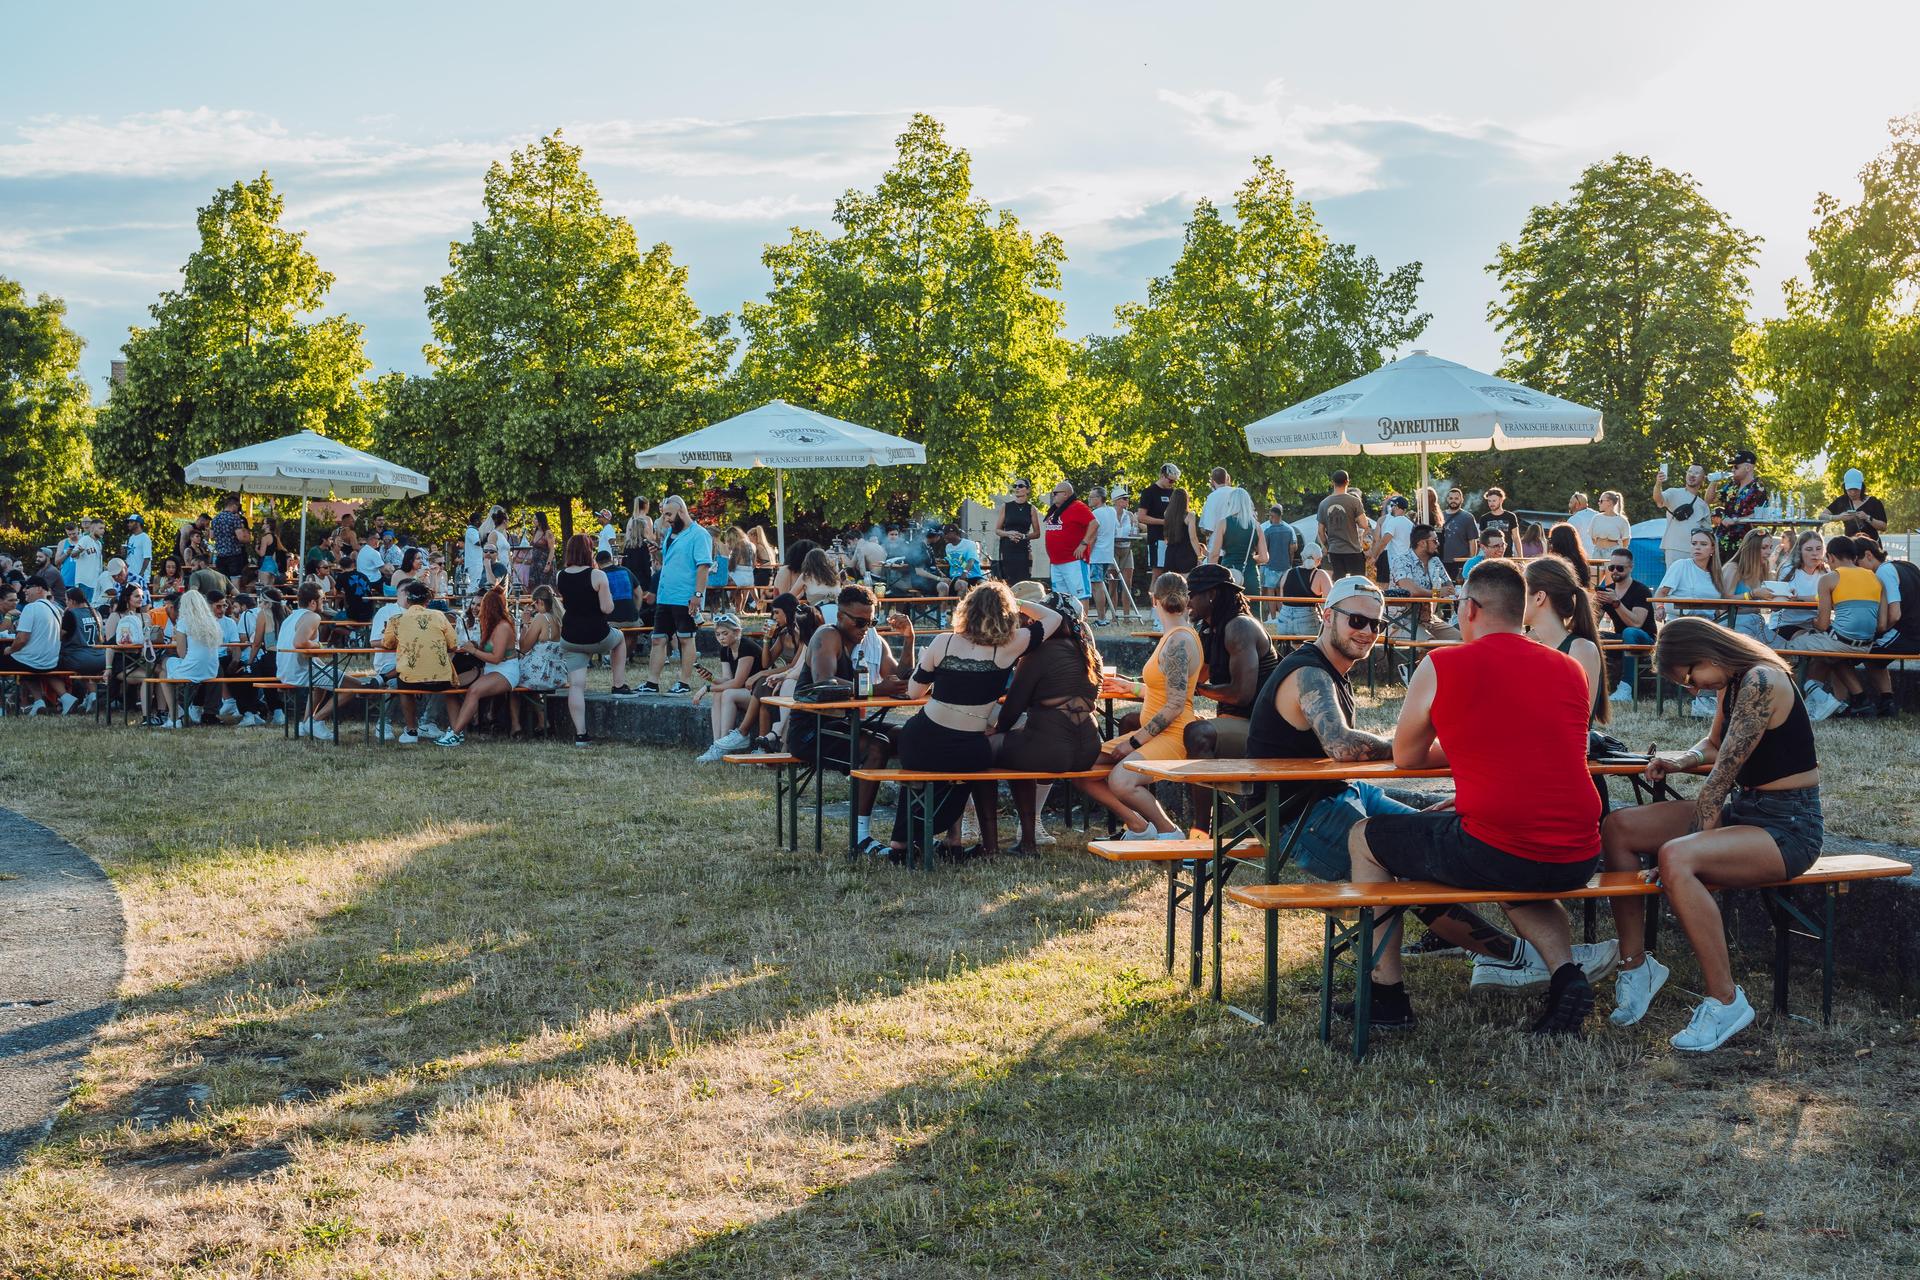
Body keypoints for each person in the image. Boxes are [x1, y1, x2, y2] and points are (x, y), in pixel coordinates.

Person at [1242, 576, 1550, 987]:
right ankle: (1518, 958)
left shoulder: (1330, 671)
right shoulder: (1308, 673)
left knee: (1442, 840)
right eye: (1357, 620)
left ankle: (1489, 949)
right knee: (1407, 867)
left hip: (1342, 794)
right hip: (1297, 817)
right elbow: (1341, 745)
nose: (1367, 632)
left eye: (1377, 625)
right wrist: (1407, 746)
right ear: (1327, 615)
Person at [1347, 559, 1606, 1034]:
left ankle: (1385, 995)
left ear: (1468, 608)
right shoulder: (1569, 666)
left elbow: (1406, 756)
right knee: (1520, 874)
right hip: (1580, 849)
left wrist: (1462, 748)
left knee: (1364, 836)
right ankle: (1567, 978)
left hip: (1500, 846)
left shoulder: (1443, 663)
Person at [1600, 619, 1821, 1051]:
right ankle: (1636, 966)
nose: (1691, 688)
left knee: (1677, 857)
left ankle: (1725, 1001)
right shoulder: (1733, 682)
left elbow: (1721, 777)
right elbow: (1716, 746)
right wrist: (1682, 759)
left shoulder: (1760, 679)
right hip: (1749, 811)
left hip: (1788, 828)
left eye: (1688, 676)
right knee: (1619, 827)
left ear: (1708, 654)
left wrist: (1693, 839)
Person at [877, 583, 1062, 862]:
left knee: (916, 777)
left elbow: (915, 692)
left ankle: (902, 843)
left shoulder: (944, 641)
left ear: (967, 610)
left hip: (922, 739)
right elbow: (1054, 619)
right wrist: (1016, 600)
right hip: (968, 747)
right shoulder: (1011, 644)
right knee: (967, 769)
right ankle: (952, 840)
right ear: (1007, 613)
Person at [1077, 573, 1199, 838]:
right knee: (1078, 766)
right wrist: (1129, 687)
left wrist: (1133, 742)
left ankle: (1170, 833)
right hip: (1156, 732)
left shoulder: (1179, 640)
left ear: (1153, 599)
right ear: (1187, 599)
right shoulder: (1173, 636)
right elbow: (1164, 691)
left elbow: (1176, 704)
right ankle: (1139, 827)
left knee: (1121, 780)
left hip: (1174, 734)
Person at [797, 585, 912, 858]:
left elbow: (901, 678)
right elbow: (824, 683)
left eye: (871, 621)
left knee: (908, 736)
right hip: (810, 730)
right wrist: (874, 689)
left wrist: (909, 638)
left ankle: (910, 833)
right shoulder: (827, 636)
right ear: (840, 615)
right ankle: (859, 837)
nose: (866, 627)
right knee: (875, 748)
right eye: (860, 622)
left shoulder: (872, 641)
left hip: (844, 725)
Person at [995, 587, 1103, 854]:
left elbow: (1012, 709)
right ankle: (1030, 831)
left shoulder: (1038, 654)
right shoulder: (1089, 653)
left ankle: (1026, 839)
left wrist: (995, 732)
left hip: (1052, 748)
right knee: (1021, 746)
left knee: (1002, 751)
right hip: (1089, 747)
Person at [1181, 564, 1279, 806]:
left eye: (1191, 594)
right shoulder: (1209, 628)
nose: (1186, 601)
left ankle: (1201, 832)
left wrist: (1198, 690)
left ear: (1212, 594)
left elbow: (1240, 695)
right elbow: (1195, 677)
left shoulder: (1240, 627)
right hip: (1236, 722)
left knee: (1197, 734)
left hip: (1262, 730)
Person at [553, 533, 638, 743]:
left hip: (570, 636)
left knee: (577, 685)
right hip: (597, 634)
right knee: (619, 639)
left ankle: (581, 735)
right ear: (588, 551)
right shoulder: (598, 575)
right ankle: (619, 685)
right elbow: (607, 607)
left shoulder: (560, 575)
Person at [1797, 535, 1889, 718]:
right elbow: (1882, 625)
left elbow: (1822, 625)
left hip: (1841, 643)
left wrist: (1813, 623)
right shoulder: (1877, 579)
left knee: (1790, 645)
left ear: (1830, 557)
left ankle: (1806, 695)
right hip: (1866, 645)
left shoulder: (1829, 579)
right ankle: (1860, 700)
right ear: (1855, 557)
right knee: (1833, 656)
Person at [640, 496, 713, 696]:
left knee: (685, 638)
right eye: (664, 514)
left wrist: (697, 595)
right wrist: (657, 554)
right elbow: (669, 563)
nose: (666, 519)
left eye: (669, 514)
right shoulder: (672, 533)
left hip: (684, 596)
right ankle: (652, 682)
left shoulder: (699, 534)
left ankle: (684, 682)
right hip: (666, 595)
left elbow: (703, 566)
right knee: (658, 638)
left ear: (681, 511)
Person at [1525, 556, 1607, 727]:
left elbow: (1578, 723)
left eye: (1521, 591)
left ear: (1539, 597)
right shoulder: (1528, 646)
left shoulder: (1581, 650)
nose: (1514, 599)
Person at [436, 587, 522, 745]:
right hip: (489, 669)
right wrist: (475, 646)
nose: (476, 609)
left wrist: (474, 650)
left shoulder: (502, 626)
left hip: (505, 670)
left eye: (481, 605)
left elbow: (496, 658)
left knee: (475, 691)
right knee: (449, 687)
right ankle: (457, 729)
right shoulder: (488, 624)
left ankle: (454, 734)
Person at [381, 580, 460, 743]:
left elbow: (386, 644)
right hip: (441, 678)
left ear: (407, 600)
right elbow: (453, 644)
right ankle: (456, 730)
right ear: (428, 601)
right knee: (451, 693)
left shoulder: (396, 619)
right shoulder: (439, 616)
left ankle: (411, 731)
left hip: (410, 679)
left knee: (404, 688)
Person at [142, 588, 223, 728]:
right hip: (212, 669)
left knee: (164, 673)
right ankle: (176, 714)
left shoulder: (184, 622)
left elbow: (181, 652)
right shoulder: (212, 621)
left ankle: (174, 717)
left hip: (195, 668)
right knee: (167, 668)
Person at [696, 613, 763, 762]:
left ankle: (724, 745)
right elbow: (727, 679)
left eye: (725, 633)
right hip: (746, 692)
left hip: (760, 694)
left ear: (737, 632)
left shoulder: (746, 646)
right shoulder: (725, 649)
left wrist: (706, 688)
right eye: (718, 634)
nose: (721, 638)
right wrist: (712, 679)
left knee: (727, 694)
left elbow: (737, 683)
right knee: (719, 694)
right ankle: (717, 744)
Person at [1595, 547, 1658, 702]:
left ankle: (1626, 688)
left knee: (1629, 632)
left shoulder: (1641, 590)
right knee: (1590, 634)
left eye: (1620, 568)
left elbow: (1637, 623)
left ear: (1631, 568)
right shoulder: (1608, 591)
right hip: (1621, 637)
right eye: (1611, 567)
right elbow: (1593, 622)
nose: (1615, 571)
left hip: (1644, 637)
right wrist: (1594, 605)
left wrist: (1616, 603)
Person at [0, 579, 68, 714]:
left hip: (35, 660)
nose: (25, 591)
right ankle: (43, 702)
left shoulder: (31, 608)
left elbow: (22, 638)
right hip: (50, 660)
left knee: (20, 662)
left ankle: (6, 708)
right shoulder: (54, 608)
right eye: (11, 600)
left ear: (39, 589)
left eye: (28, 587)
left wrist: (10, 650)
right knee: (28, 666)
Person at [1388, 523, 1458, 641]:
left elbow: (1450, 587)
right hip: (1401, 622)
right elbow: (1412, 591)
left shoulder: (1435, 561)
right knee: (1430, 644)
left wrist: (1443, 591)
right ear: (1422, 543)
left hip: (1428, 620)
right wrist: (1437, 592)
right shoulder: (1401, 561)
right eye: (1435, 541)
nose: (1438, 543)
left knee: (1461, 640)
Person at [516, 584, 570, 722]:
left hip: (541, 674)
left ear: (539, 602)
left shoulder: (542, 618)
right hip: (559, 673)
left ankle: (539, 721)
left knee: (511, 675)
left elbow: (523, 648)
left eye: (534, 605)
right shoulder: (561, 618)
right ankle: (541, 721)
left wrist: (525, 624)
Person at [1717, 529, 1779, 645]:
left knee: (1791, 651)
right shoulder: (1733, 568)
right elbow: (1723, 604)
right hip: (1731, 626)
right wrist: (1752, 594)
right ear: (1752, 549)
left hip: (1755, 623)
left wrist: (1782, 598)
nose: (1769, 552)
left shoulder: (1762, 570)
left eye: (1770, 547)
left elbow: (1760, 606)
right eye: (1764, 547)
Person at [1203, 482, 1265, 592]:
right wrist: (1251, 559)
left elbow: (1214, 555)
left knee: (1228, 608)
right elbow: (1264, 557)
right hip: (1251, 576)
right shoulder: (1256, 526)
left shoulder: (1223, 523)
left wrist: (1210, 576)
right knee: (1252, 609)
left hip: (1228, 575)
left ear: (1230, 503)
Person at [1041, 481, 1097, 601]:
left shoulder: (1077, 506)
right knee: (1060, 598)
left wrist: (1083, 544)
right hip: (1056, 562)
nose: (1053, 495)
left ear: (1065, 494)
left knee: (1080, 596)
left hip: (1073, 561)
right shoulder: (1056, 510)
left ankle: (1082, 620)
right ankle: (1067, 620)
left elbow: (1094, 523)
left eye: (1056, 493)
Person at [1711, 449, 1767, 562]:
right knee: (1719, 577)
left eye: (1736, 467)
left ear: (1748, 467)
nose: (1732, 470)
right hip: (1722, 542)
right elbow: (1710, 499)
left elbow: (1762, 514)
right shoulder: (1732, 485)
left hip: (1744, 543)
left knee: (1737, 577)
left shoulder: (1758, 488)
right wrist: (1714, 481)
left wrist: (1736, 520)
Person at [1655, 463, 1713, 568]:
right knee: (1673, 581)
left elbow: (1708, 531)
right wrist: (1658, 483)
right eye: (1690, 472)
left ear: (1703, 478)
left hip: (1695, 551)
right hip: (1674, 548)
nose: (1692, 475)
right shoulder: (1673, 493)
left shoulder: (1703, 505)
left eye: (1696, 473)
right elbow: (1658, 500)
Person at [1316, 470, 1368, 579]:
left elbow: (1320, 531)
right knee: (1358, 582)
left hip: (1335, 551)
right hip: (1353, 550)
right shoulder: (1354, 501)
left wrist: (1327, 546)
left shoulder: (1324, 503)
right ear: (1347, 482)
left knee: (1339, 583)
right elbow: (1364, 524)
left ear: (1332, 483)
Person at [1271, 555, 1332, 636]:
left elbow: (1282, 600)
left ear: (1302, 558)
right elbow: (1332, 599)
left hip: (1284, 622)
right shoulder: (1320, 574)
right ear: (1319, 560)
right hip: (1307, 622)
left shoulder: (1288, 572)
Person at [1087, 486, 1121, 624]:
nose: (1089, 499)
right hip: (1107, 554)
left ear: (1099, 498)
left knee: (1097, 585)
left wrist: (1087, 552)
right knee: (1100, 584)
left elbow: (1093, 536)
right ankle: (1102, 617)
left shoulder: (1095, 513)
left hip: (1096, 555)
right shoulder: (1112, 511)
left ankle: (1101, 618)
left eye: (1091, 497)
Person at [993, 479, 1037, 586]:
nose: (1017, 488)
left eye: (1020, 486)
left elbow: (1037, 533)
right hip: (1007, 549)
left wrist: (1023, 536)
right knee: (1007, 582)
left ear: (1028, 490)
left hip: (1023, 550)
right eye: (1015, 485)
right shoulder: (1006, 506)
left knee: (1023, 582)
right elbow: (997, 530)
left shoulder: (1031, 509)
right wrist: (1009, 533)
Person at [1138, 463, 1180, 571]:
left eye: (1174, 481)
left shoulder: (1173, 493)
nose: (1172, 484)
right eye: (1170, 480)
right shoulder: (1149, 492)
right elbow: (1141, 517)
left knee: (1173, 572)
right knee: (1157, 573)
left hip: (1172, 538)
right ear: (1162, 476)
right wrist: (1163, 522)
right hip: (1157, 538)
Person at [1824, 467, 1887, 535]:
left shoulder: (1874, 502)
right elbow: (1822, 516)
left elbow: (1883, 527)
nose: (1853, 493)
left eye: (1856, 489)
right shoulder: (1841, 500)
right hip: (1850, 544)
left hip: (1871, 544)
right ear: (1845, 488)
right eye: (1850, 489)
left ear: (1862, 487)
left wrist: (1867, 517)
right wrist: (1839, 517)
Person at [1367, 495, 1413, 583]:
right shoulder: (1410, 524)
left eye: (1393, 506)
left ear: (1396, 507)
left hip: (1390, 559)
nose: (1391, 508)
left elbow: (1383, 542)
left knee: (1384, 587)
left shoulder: (1393, 522)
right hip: (1405, 560)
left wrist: (1374, 557)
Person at [1438, 487, 1479, 580]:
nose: (1453, 501)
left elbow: (1472, 541)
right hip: (1442, 560)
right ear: (1447, 499)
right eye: (1451, 498)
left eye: (1456, 498)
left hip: (1461, 561)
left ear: (1461, 500)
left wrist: (1471, 561)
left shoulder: (1468, 517)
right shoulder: (1439, 515)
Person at [940, 524, 988, 602]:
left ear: (954, 533)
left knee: (985, 587)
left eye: (946, 534)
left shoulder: (970, 544)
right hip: (957, 576)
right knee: (962, 584)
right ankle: (959, 611)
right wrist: (944, 560)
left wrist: (965, 572)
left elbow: (971, 561)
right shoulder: (948, 547)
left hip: (974, 575)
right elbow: (952, 559)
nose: (944, 536)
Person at [1545, 524, 1591, 589]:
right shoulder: (1582, 561)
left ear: (1556, 542)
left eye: (1551, 539)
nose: (1550, 542)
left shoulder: (1552, 564)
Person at [1478, 487, 1521, 552]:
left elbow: (1516, 538)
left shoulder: (1511, 516)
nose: (1491, 503)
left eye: (1494, 501)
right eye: (1489, 501)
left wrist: (1520, 557)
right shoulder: (1484, 518)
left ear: (1501, 500)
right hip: (1490, 556)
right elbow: (1482, 540)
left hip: (1507, 555)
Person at [124, 513, 154, 582]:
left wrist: (140, 574)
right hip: (130, 576)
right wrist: (123, 552)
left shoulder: (145, 538)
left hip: (141, 578)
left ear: (138, 523)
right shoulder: (130, 538)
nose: (129, 524)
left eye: (131, 522)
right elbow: (127, 557)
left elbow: (147, 558)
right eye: (128, 522)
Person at [462, 512, 485, 594]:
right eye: (481, 520)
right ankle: (469, 603)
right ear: (476, 521)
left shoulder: (474, 531)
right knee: (474, 585)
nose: (482, 522)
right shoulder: (471, 530)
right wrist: (487, 536)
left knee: (476, 584)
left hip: (476, 562)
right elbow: (478, 542)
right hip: (474, 563)